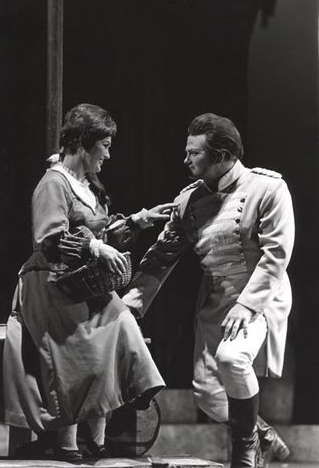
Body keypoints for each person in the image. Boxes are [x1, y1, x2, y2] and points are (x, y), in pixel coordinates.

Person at [0, 103, 177, 461]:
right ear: (82, 142)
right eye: (105, 145)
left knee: (122, 321)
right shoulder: (53, 183)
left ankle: (106, 427)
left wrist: (139, 221)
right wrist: (94, 247)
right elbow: (49, 238)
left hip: (82, 283)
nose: (108, 154)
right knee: (81, 352)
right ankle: (67, 444)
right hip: (50, 283)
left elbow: (101, 235)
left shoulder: (88, 185)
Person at [122, 113, 295, 468]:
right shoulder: (188, 201)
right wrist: (130, 306)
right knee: (209, 396)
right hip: (217, 300)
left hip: (260, 296)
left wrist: (247, 306)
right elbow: (160, 257)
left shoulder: (268, 189)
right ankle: (263, 436)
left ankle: (245, 454)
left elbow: (276, 255)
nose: (186, 160)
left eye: (194, 153)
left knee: (233, 359)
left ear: (221, 155)